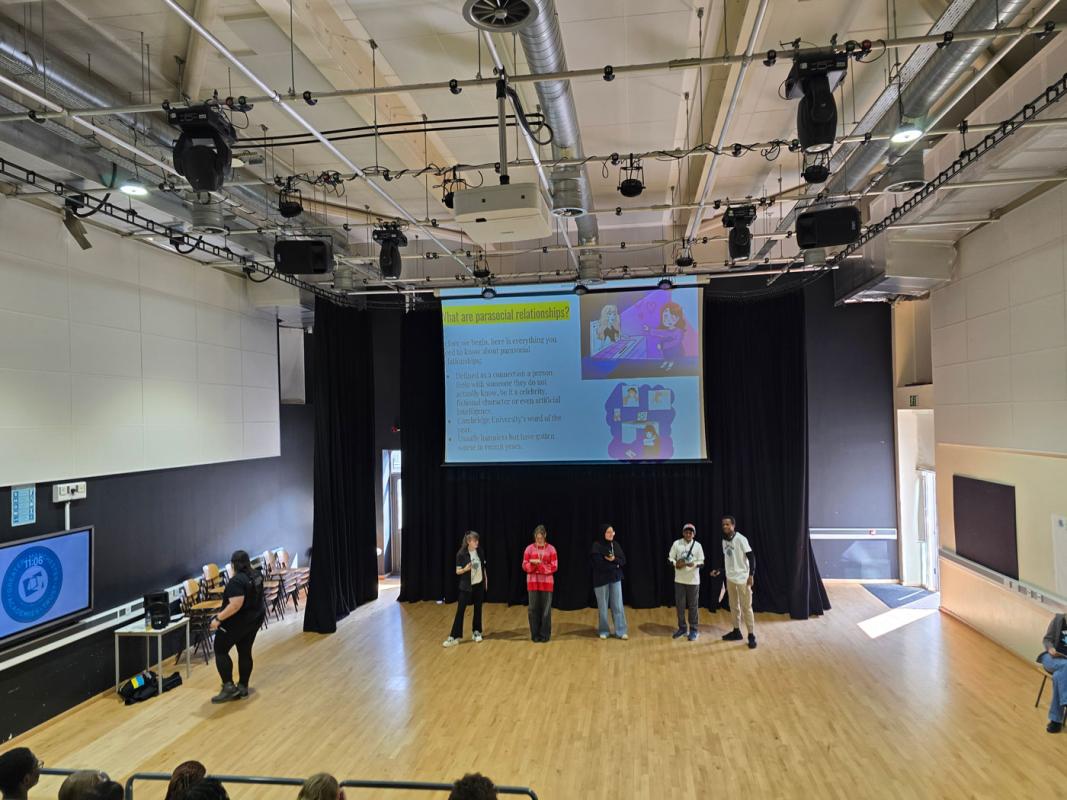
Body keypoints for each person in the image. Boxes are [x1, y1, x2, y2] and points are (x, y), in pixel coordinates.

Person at [209, 550, 266, 703]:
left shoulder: (236, 582)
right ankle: (243, 687)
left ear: (233, 564)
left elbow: (235, 605)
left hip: (237, 623)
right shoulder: (257, 575)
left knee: (220, 650)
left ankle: (229, 687)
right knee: (245, 651)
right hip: (254, 619)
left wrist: (218, 619)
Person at [710, 515, 757, 649]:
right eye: (723, 524)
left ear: (733, 525)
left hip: (743, 579)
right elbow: (730, 561)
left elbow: (751, 557)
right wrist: (720, 571)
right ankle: (736, 631)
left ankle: (751, 635)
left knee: (746, 607)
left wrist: (751, 575)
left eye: (727, 524)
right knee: (734, 606)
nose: (725, 526)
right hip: (730, 579)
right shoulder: (724, 541)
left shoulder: (741, 539)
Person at [444, 531, 488, 647]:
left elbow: (483, 566)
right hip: (466, 586)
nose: (477, 542)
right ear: (468, 541)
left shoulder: (480, 551)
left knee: (478, 608)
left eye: (477, 540)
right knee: (460, 610)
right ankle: (454, 636)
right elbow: (457, 571)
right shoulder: (461, 554)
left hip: (479, 584)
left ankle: (476, 631)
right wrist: (465, 569)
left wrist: (485, 580)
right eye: (475, 541)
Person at [590, 524, 628, 640]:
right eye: (608, 532)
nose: (611, 534)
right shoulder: (596, 546)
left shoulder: (615, 545)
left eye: (613, 532)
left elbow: (623, 560)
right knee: (603, 607)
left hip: (615, 578)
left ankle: (620, 631)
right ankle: (604, 630)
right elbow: (599, 564)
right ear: (603, 533)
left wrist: (614, 560)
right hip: (601, 580)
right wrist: (615, 565)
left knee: (618, 605)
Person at [668, 523, 704, 640]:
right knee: (680, 605)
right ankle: (682, 628)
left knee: (693, 606)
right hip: (679, 580)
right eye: (686, 532)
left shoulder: (698, 546)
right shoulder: (677, 544)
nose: (688, 534)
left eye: (690, 532)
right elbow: (670, 558)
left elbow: (702, 562)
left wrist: (694, 564)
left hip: (693, 580)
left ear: (694, 534)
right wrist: (676, 564)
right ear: (683, 533)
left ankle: (693, 629)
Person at [522, 524, 558, 642]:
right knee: (533, 609)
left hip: (547, 583)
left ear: (545, 536)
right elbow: (524, 565)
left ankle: (545, 634)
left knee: (546, 610)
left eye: (541, 538)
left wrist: (540, 566)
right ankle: (535, 634)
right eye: (537, 538)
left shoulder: (551, 549)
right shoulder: (529, 549)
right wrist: (533, 566)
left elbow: (554, 566)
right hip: (533, 583)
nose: (539, 540)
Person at [1037, 612, 1067, 732]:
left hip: (1065, 664)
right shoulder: (1058, 619)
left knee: (1058, 676)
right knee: (1065, 667)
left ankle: (1055, 720)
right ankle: (1065, 700)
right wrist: (1050, 648)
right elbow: (1047, 639)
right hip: (1051, 658)